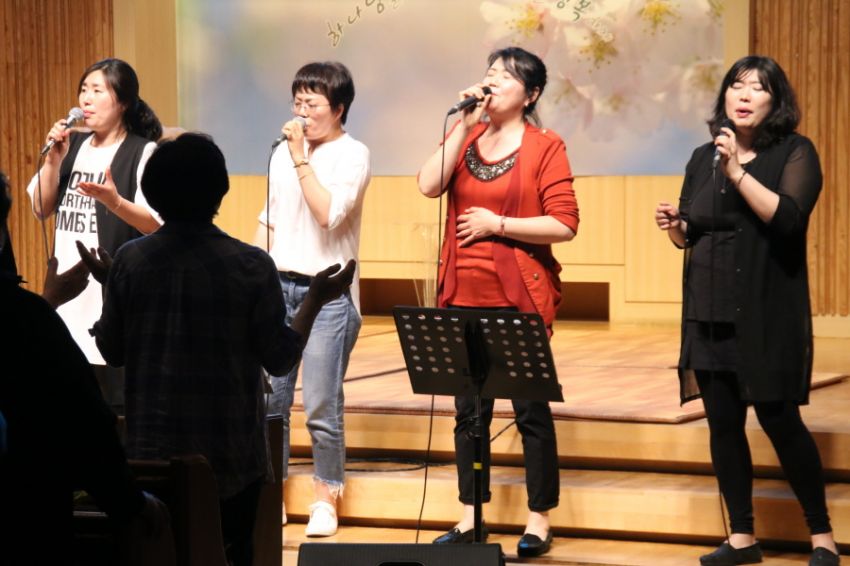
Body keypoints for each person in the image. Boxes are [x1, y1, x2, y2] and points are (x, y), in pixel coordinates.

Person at [91, 133, 355, 566]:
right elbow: (280, 358)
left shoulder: (130, 262)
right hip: (230, 460)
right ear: (220, 190)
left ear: (153, 193)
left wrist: (112, 287)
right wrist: (315, 299)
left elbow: (112, 350)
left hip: (150, 457)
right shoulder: (249, 264)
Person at [655, 56, 840, 566]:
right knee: (723, 426)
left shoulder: (795, 151)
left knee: (781, 423)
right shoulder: (703, 156)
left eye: (758, 88)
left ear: (775, 101)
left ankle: (822, 536)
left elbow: (787, 220)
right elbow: (691, 232)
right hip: (709, 311)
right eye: (737, 85)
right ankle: (741, 537)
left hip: (765, 311)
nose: (744, 95)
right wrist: (675, 225)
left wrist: (736, 171)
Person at [417, 46, 579, 558]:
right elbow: (428, 185)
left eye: (505, 77)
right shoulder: (466, 136)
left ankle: (539, 519)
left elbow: (564, 224)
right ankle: (471, 517)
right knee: (469, 414)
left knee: (530, 411)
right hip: (460, 295)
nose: (492, 82)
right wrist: (461, 127)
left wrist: (498, 225)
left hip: (517, 302)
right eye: (490, 73)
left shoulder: (545, 146)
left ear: (530, 94)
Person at [0, 171, 173, 566]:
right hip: (22, 521)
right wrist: (130, 503)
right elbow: (83, 421)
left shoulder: (29, 317)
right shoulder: (28, 318)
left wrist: (46, 303)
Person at [254, 61, 370, 537]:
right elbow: (270, 219)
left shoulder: (353, 154)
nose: (301, 112)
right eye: (297, 101)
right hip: (278, 287)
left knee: (321, 403)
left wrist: (301, 158)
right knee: (271, 402)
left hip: (327, 295)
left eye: (312, 103)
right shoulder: (282, 154)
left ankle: (325, 498)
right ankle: (272, 495)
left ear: (338, 109)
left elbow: (327, 215)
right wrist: (251, 275)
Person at [26, 58, 163, 411]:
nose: (86, 99)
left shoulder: (141, 151)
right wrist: (53, 161)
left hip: (111, 302)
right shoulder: (71, 146)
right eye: (84, 90)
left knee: (113, 409)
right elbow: (40, 208)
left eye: (97, 90)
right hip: (66, 297)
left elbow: (154, 223)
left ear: (124, 102)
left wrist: (115, 202)